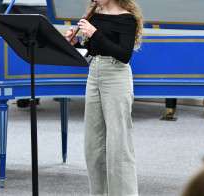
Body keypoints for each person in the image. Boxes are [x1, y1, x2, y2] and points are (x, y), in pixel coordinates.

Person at [66, 0, 142, 195]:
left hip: (116, 75)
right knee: (93, 144)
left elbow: (124, 55)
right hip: (94, 73)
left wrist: (94, 33)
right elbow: (92, 50)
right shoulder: (96, 15)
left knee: (118, 143)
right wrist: (77, 44)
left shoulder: (127, 18)